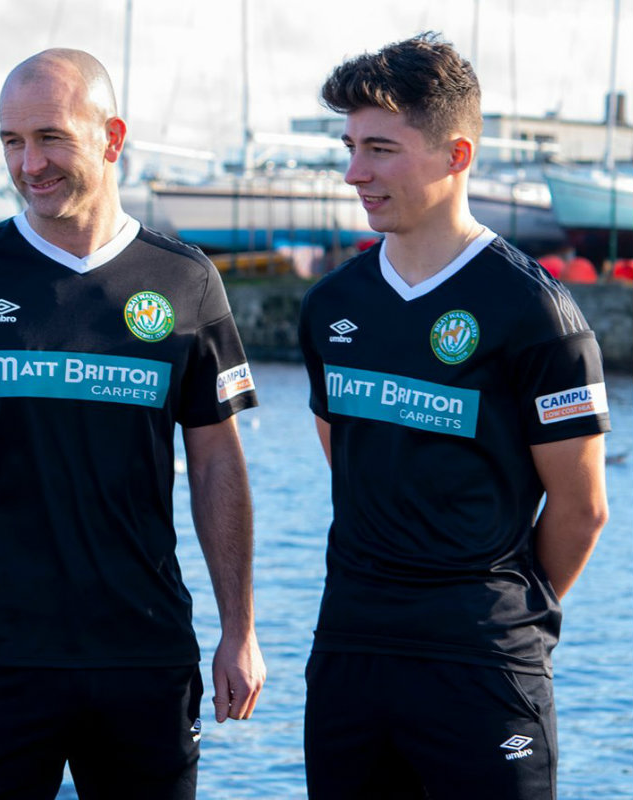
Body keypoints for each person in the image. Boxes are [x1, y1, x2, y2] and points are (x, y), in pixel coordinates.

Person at [0, 48, 266, 799]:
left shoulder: (186, 280)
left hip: (145, 656)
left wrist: (239, 628)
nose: (30, 163)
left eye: (50, 137)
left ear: (112, 137)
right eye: (12, 142)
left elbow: (219, 465)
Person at [298, 33, 610, 799]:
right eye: (350, 147)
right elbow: (351, 459)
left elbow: (582, 509)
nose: (355, 173)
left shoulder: (535, 311)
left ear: (456, 154)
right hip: (351, 654)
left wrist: (498, 621)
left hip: (482, 666)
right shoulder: (332, 306)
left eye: (380, 149)